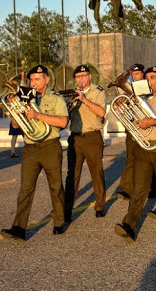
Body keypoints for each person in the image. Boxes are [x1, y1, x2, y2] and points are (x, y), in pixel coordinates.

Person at [1, 65, 69, 241]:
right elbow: (16, 126)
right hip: (30, 148)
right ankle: (19, 227)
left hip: (50, 146)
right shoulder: (24, 98)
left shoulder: (56, 98)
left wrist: (38, 115)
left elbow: (62, 122)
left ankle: (59, 221)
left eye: (38, 79)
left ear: (47, 80)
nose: (33, 82)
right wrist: (13, 109)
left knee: (55, 186)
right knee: (25, 189)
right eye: (31, 79)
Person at [115, 66, 156, 241]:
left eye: (153, 77)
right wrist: (123, 109)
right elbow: (130, 122)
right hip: (144, 147)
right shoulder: (135, 100)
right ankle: (129, 225)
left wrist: (152, 121)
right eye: (147, 77)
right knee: (138, 188)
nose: (149, 80)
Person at [63, 65, 107, 222]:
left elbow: (101, 112)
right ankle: (67, 209)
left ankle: (100, 205)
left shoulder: (98, 91)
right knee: (72, 175)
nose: (81, 79)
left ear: (90, 76)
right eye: (78, 76)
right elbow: (65, 116)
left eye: (83, 75)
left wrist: (84, 99)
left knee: (96, 172)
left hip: (92, 136)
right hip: (75, 137)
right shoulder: (70, 93)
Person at [116, 63, 145, 200]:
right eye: (133, 74)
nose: (135, 75)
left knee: (149, 160)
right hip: (133, 125)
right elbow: (121, 103)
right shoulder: (128, 87)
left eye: (138, 73)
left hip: (148, 125)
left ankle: (151, 186)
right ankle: (126, 188)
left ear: (143, 74)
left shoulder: (149, 86)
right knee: (131, 157)